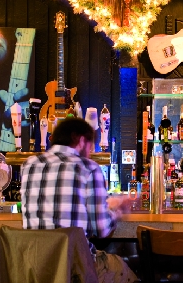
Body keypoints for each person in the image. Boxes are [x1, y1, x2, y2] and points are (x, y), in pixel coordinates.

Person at [20, 118, 138, 283]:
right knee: (123, 269)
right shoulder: (89, 167)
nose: (90, 152)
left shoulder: (29, 165)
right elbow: (101, 229)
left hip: (34, 267)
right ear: (81, 140)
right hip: (74, 269)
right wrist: (118, 210)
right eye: (90, 145)